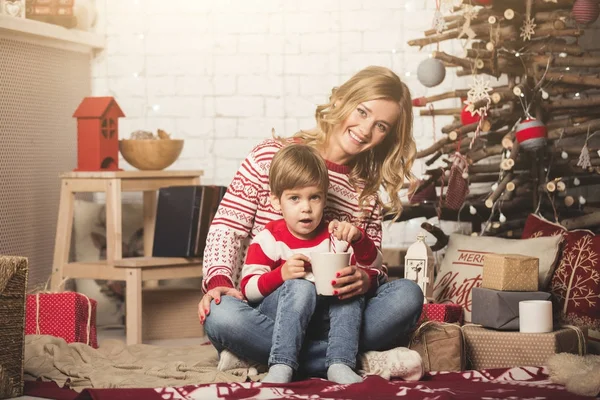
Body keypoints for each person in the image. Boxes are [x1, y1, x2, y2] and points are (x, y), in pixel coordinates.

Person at [198, 65, 425, 378]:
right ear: (340, 101)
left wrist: (365, 278)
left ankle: (266, 357)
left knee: (407, 296)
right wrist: (219, 281)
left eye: (381, 126)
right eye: (361, 111)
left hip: (336, 313)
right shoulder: (271, 156)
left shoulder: (365, 195)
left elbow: (374, 265)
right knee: (221, 316)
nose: (365, 129)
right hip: (270, 310)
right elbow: (227, 227)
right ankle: (352, 361)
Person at [241, 144, 379, 384]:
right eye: (294, 198)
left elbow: (375, 265)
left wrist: (358, 239)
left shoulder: (334, 235)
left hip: (325, 320)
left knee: (349, 288)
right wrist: (281, 274)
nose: (306, 207)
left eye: (314, 197)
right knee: (300, 286)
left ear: (324, 198)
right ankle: (282, 363)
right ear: (276, 201)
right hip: (280, 317)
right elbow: (249, 290)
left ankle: (340, 363)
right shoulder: (269, 238)